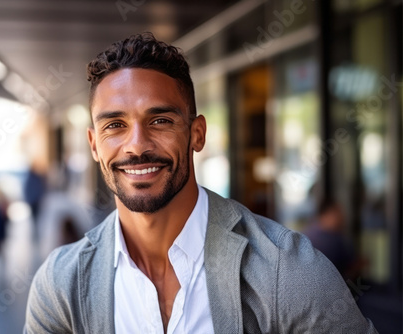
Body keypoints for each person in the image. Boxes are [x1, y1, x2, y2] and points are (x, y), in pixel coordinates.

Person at [24, 33, 377, 333]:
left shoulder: (289, 273)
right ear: (94, 145)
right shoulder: (61, 286)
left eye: (160, 120)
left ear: (197, 134)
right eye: (114, 125)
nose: (137, 145)